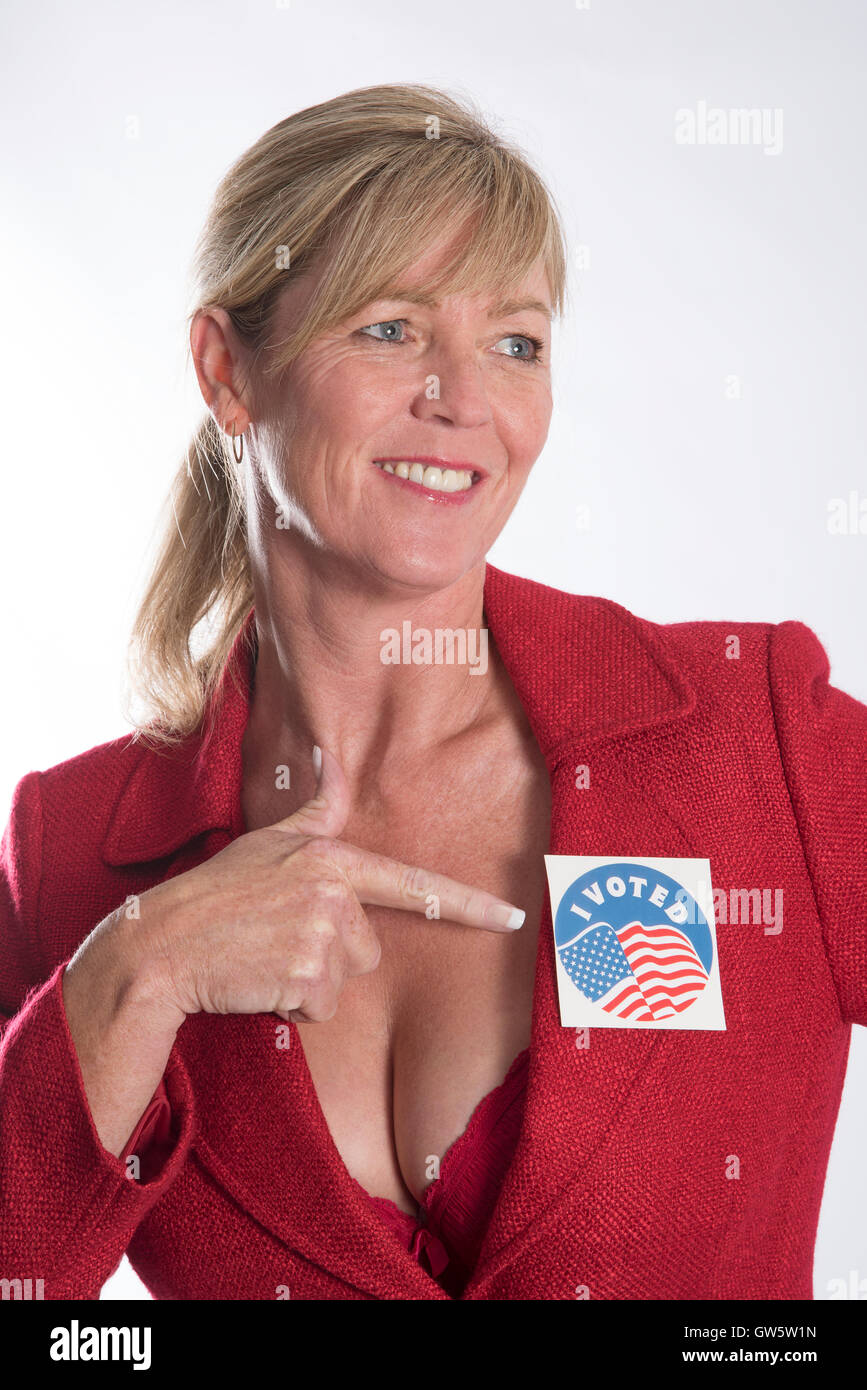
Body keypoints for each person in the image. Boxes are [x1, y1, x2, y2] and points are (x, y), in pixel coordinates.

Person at [1, 83, 864, 1302]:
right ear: (226, 370)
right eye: (392, 328)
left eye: (516, 342)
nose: (465, 400)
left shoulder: (751, 738)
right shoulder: (74, 855)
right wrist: (135, 975)